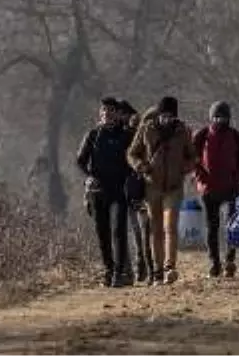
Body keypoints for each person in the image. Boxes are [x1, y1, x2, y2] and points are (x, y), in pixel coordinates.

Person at [127, 95, 196, 285]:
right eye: (164, 115)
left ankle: (169, 267)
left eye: (171, 116)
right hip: (152, 187)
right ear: (158, 114)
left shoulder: (182, 131)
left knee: (170, 226)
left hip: (174, 187)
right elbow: (132, 153)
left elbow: (192, 156)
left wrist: (185, 167)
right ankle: (157, 270)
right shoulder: (146, 129)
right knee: (156, 230)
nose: (167, 119)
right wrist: (141, 166)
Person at [75, 96, 135, 287]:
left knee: (118, 231)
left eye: (111, 110)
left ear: (118, 114)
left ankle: (119, 272)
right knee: (102, 232)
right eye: (104, 111)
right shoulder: (93, 135)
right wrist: (89, 176)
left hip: (119, 190)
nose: (107, 114)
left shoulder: (126, 136)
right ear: (100, 114)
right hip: (98, 191)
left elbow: (134, 160)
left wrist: (132, 179)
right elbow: (80, 160)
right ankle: (108, 270)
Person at [192, 101, 239, 278]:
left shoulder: (235, 136)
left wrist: (238, 179)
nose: (219, 120)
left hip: (231, 187)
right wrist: (200, 178)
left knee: (232, 226)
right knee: (212, 227)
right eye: (216, 117)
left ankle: (230, 261)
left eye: (223, 117)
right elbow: (193, 159)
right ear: (211, 117)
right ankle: (214, 263)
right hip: (209, 188)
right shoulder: (202, 135)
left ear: (228, 118)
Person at [117, 100, 152, 284]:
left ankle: (143, 266)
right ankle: (136, 267)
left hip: (138, 187)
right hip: (125, 189)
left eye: (125, 114)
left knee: (140, 231)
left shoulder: (139, 133)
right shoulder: (118, 133)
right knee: (133, 231)